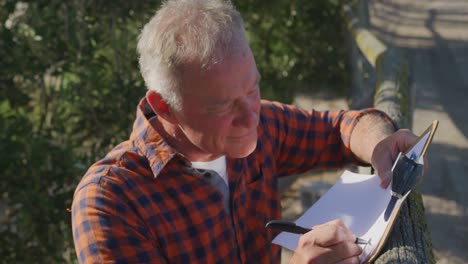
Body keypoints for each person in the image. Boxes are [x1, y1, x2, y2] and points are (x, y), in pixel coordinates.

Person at [71, 0, 421, 263]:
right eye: (222, 106)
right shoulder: (109, 203)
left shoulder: (259, 122)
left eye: (253, 88)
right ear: (165, 107)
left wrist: (379, 145)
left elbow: (340, 127)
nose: (250, 117)